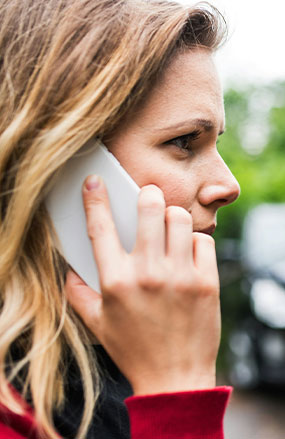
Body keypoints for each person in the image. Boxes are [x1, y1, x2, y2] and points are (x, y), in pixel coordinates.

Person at [0, 0, 240, 438]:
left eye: (215, 143)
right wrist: (177, 394)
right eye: (186, 141)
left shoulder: (112, 361)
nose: (229, 186)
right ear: (55, 164)